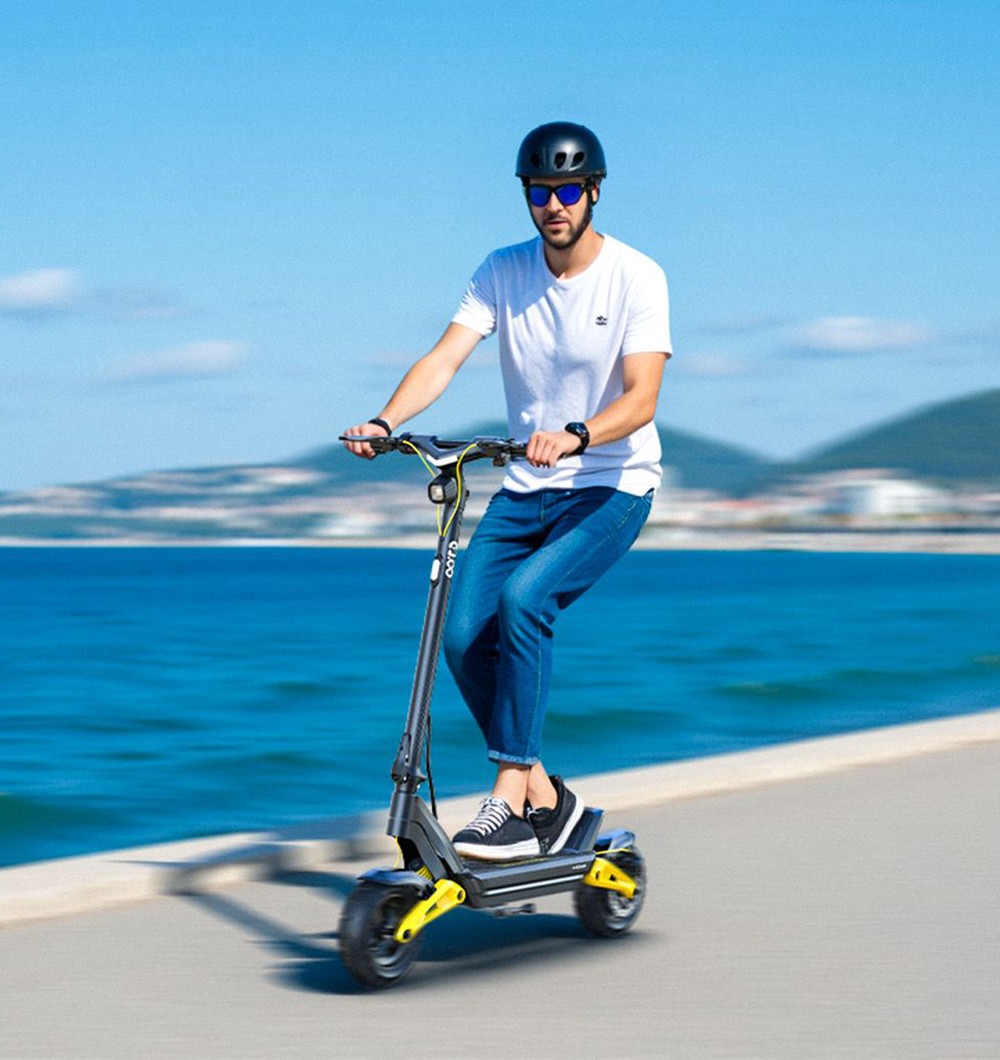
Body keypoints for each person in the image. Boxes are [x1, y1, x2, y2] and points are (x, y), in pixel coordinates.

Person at [344, 121, 672, 860]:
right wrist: (385, 419)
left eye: (565, 189)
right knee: (462, 637)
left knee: (526, 601)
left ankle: (508, 801)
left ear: (592, 192)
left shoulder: (636, 276)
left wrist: (581, 433)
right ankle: (550, 798)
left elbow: (642, 397)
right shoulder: (501, 270)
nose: (552, 204)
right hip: (526, 488)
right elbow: (444, 357)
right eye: (538, 191)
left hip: (610, 486)